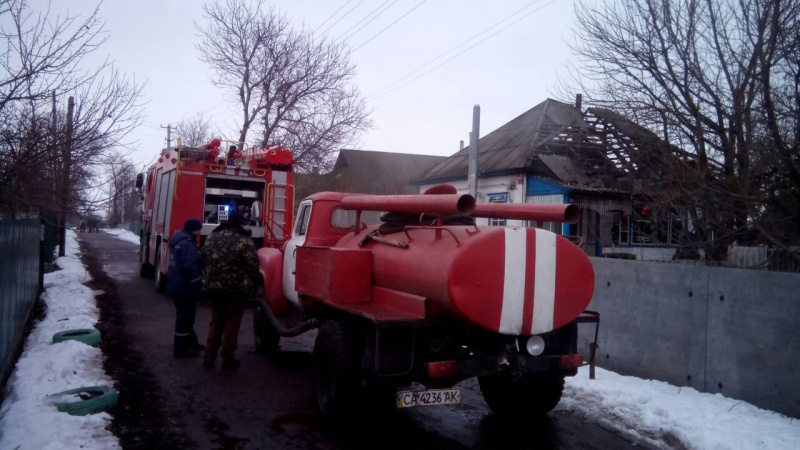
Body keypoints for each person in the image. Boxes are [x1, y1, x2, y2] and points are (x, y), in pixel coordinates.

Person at [202, 211, 259, 369]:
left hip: (214, 288)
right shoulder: (244, 240)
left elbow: (203, 257)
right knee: (231, 324)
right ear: (240, 223)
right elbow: (253, 265)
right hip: (236, 290)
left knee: (215, 322)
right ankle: (227, 360)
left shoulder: (212, 237)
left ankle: (208, 357)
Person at [167, 218, 205, 357]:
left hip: (176, 285)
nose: (200, 232)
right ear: (193, 229)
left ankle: (191, 343)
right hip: (185, 288)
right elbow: (190, 267)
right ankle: (180, 350)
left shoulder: (178, 241)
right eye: (199, 229)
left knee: (186, 317)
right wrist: (198, 285)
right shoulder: (187, 244)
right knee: (185, 318)